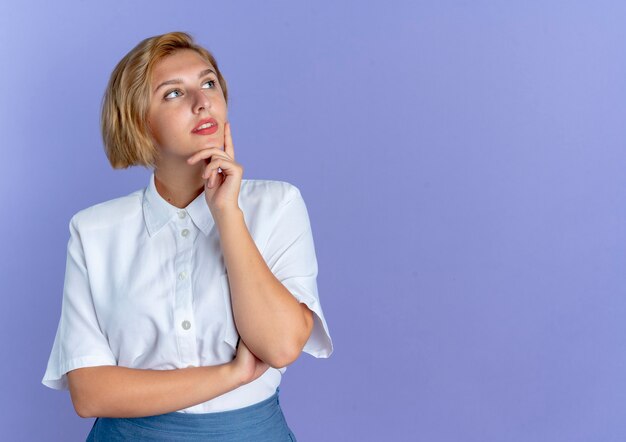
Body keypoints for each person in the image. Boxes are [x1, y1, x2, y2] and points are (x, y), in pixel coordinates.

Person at [41, 31, 333, 441]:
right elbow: (90, 393)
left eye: (209, 83)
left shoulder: (277, 204)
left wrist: (227, 213)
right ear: (139, 120)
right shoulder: (93, 231)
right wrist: (231, 374)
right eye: (174, 93)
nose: (202, 101)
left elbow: (281, 345)